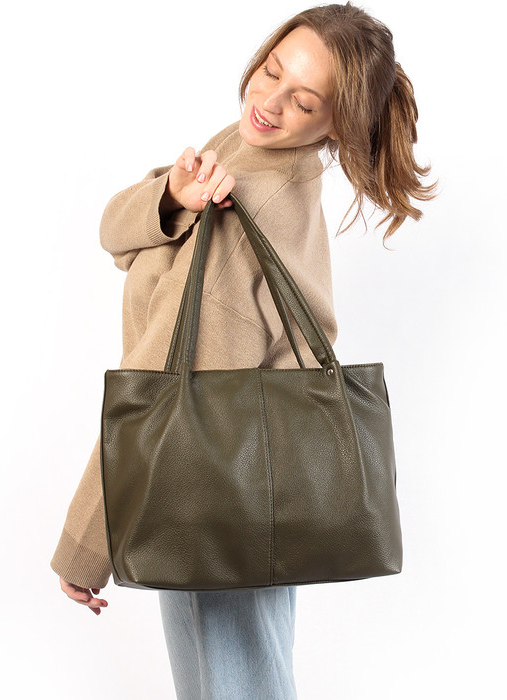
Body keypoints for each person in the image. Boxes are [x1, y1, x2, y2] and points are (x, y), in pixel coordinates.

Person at [51, 3, 436, 698]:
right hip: (247, 479)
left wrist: (86, 544)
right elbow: (117, 235)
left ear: (336, 123)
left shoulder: (254, 194)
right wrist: (173, 193)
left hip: (211, 486)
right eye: (271, 70)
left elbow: (163, 388)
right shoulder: (242, 147)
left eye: (304, 101)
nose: (270, 102)